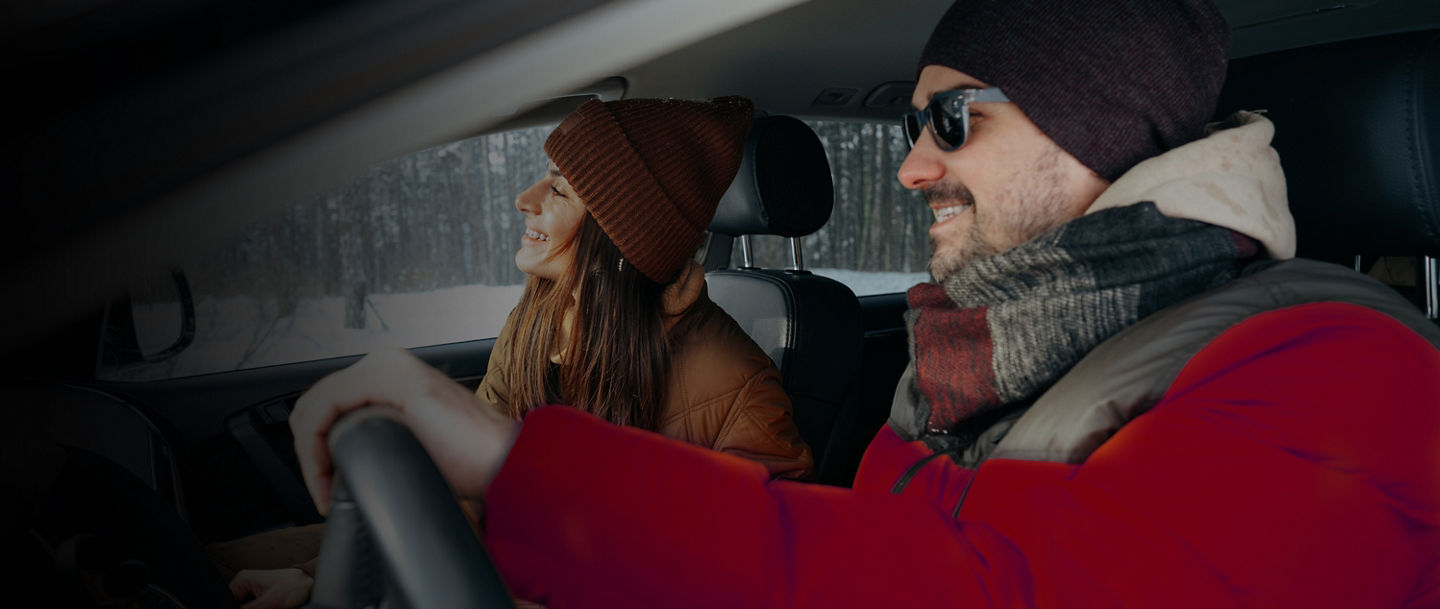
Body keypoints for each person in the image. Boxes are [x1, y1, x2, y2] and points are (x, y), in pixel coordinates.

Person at [290, 1, 1440, 607]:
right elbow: (870, 552)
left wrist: (519, 468)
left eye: (955, 119)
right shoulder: (971, 357)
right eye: (908, 126)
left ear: (1098, 123)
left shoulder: (1347, 371)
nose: (911, 168)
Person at [221, 96, 813, 609]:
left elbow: (754, 579)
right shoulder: (537, 316)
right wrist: (323, 579)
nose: (523, 199)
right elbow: (469, 497)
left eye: (557, 187)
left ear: (619, 231)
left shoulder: (743, 389)